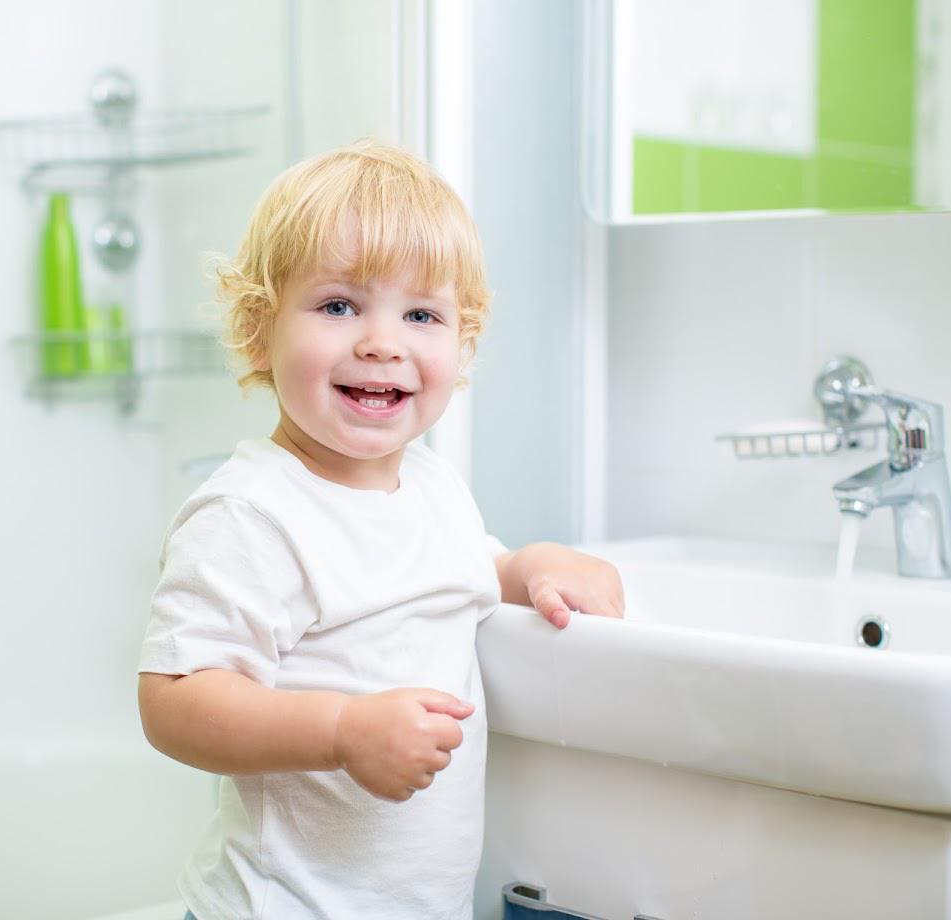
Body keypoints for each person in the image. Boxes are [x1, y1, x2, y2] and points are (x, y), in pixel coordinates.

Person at [137, 138, 624, 920]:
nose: (382, 341)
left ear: (458, 340)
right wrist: (340, 729)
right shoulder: (252, 513)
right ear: (260, 329)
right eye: (338, 305)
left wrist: (532, 565)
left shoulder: (430, 481)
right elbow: (176, 699)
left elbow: (462, 572)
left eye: (421, 314)